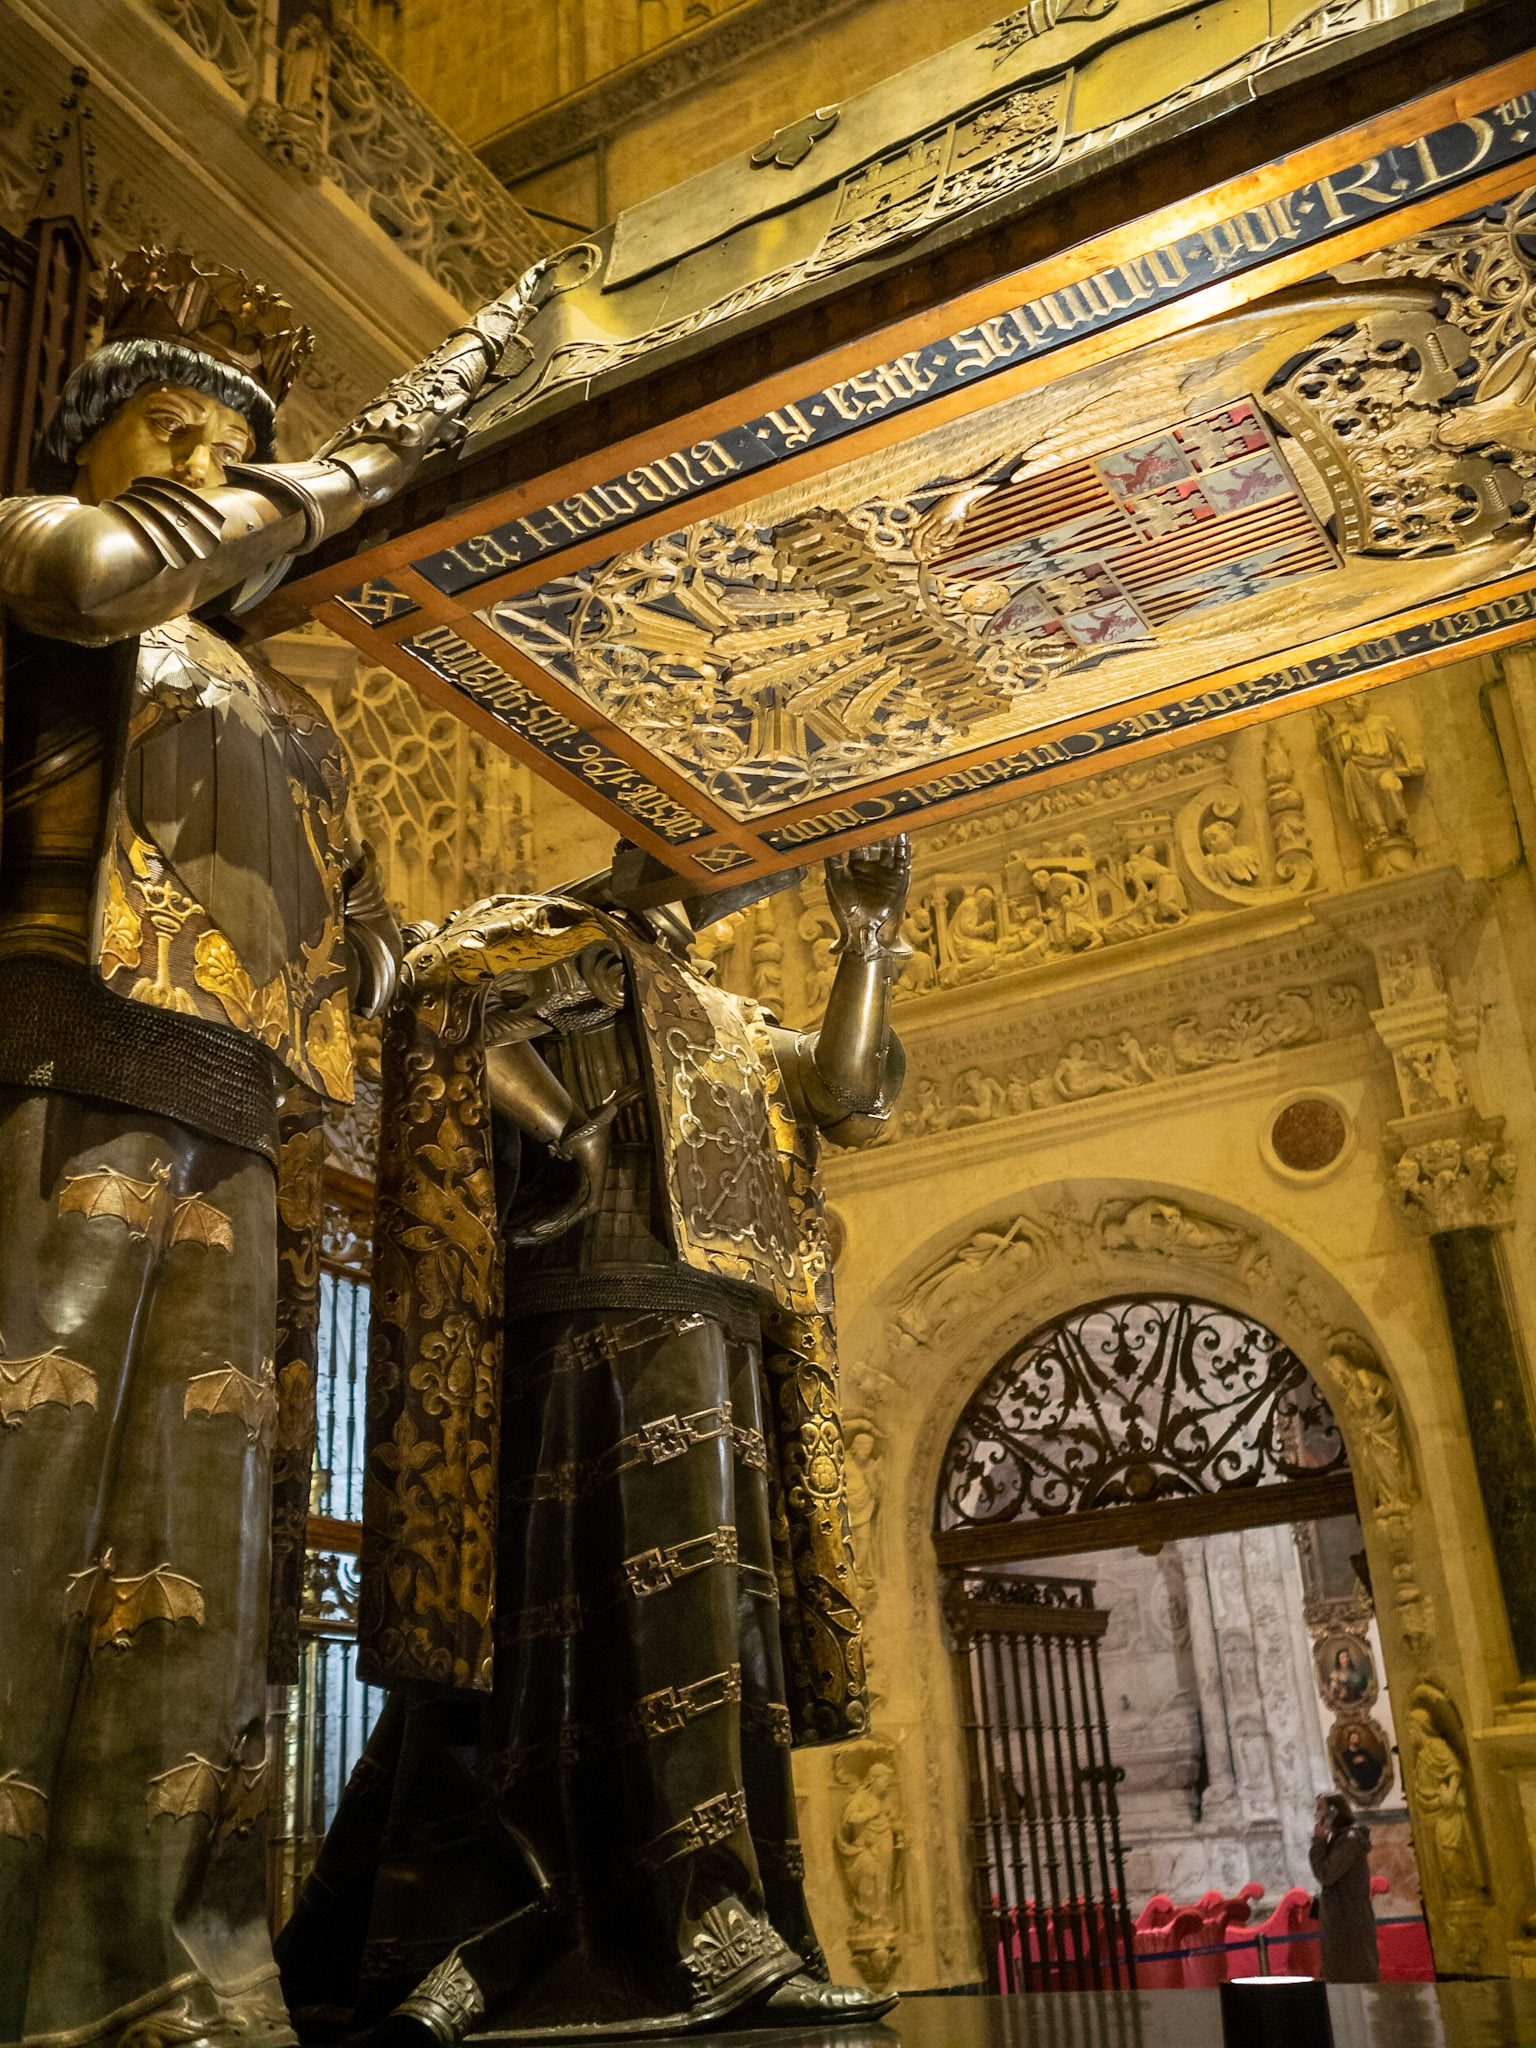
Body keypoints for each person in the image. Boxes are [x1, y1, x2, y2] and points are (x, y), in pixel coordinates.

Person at [0, 245, 515, 2047]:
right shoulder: (50, 552)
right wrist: (359, 461)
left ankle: (168, 1954)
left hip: (232, 1103)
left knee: (204, 1560)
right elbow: (92, 573)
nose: (205, 463)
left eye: (236, 445)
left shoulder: (288, 710)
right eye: (172, 428)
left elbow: (357, 945)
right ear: (91, 444)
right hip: (59, 1064)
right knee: (26, 1498)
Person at [276, 840, 913, 2040]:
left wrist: (867, 939)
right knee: (561, 1630)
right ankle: (630, 1925)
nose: (731, 878)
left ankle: (713, 1918)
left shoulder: (724, 1011)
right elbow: (441, 996)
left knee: (712, 1625)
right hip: (580, 1314)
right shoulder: (541, 941)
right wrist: (562, 1119)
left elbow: (849, 1093)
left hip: (716, 1325)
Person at [1309, 1792, 1380, 1983]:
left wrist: (1318, 1841)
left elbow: (1327, 1873)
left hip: (1349, 1922)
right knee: (1338, 1978)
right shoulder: (1339, 1840)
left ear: (1334, 1813)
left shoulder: (1349, 1841)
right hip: (1340, 1921)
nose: (1317, 1815)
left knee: (1353, 1977)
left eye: (1320, 1810)